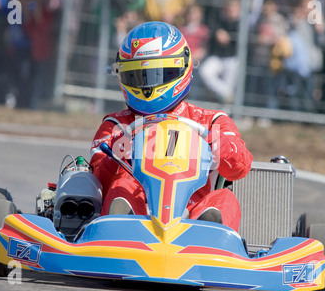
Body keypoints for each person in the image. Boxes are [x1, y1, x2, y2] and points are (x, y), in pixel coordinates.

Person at [89, 22, 253, 232]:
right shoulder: (116, 126)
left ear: (181, 67)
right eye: (137, 77)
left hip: (192, 214)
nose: (147, 86)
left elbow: (240, 168)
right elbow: (96, 185)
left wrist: (221, 146)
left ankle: (209, 235)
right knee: (122, 187)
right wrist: (115, 159)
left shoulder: (212, 121)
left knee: (224, 198)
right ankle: (120, 232)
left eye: (157, 75)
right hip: (139, 217)